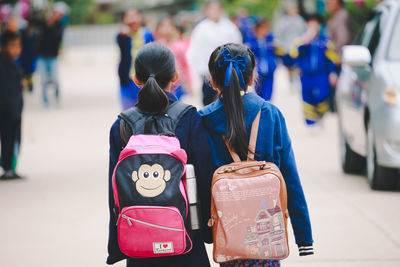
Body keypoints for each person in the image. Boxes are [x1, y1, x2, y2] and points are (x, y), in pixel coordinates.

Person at [199, 43, 314, 267]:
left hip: (225, 230)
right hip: (266, 233)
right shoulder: (270, 114)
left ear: (212, 81)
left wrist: (203, 230)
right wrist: (304, 237)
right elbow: (289, 176)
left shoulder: (202, 120)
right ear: (252, 78)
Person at [107, 43, 213, 267]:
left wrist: (116, 244)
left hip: (138, 240)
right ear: (175, 77)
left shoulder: (122, 125)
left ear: (136, 79)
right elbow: (204, 178)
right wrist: (205, 230)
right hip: (186, 237)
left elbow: (114, 189)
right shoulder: (189, 118)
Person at [187, 0, 242, 106]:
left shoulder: (230, 27)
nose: (215, 12)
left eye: (217, 9)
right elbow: (195, 52)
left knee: (230, 103)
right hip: (208, 74)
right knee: (209, 103)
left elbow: (238, 46)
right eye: (212, 9)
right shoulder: (201, 29)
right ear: (206, 11)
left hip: (229, 72)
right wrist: (202, 70)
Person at [290, 14, 339, 127]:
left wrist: (333, 72)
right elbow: (294, 55)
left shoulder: (325, 41)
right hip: (305, 74)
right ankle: (310, 122)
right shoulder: (300, 40)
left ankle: (320, 115)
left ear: (319, 25)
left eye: (315, 24)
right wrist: (305, 42)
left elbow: (331, 58)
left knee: (323, 95)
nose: (312, 26)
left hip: (321, 74)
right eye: (310, 24)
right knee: (307, 97)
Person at [117, 9, 154, 110]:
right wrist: (124, 35)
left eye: (135, 16)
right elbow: (123, 50)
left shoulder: (147, 34)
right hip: (128, 80)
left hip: (146, 81)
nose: (133, 19)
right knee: (128, 115)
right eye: (129, 16)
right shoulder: (123, 35)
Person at [244, 18, 288, 101]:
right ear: (257, 28)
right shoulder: (250, 39)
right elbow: (246, 50)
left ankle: (266, 111)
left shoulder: (271, 38)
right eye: (263, 28)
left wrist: (277, 46)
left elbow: (281, 52)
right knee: (257, 94)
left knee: (268, 95)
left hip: (269, 71)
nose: (266, 30)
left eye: (267, 28)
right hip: (257, 72)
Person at [0, 31, 24, 179]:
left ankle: (10, 167)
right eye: (12, 46)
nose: (17, 49)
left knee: (13, 141)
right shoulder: (4, 67)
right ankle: (8, 168)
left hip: (13, 111)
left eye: (18, 46)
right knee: (8, 140)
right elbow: (7, 92)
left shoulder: (12, 65)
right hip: (7, 112)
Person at [36, 2, 68, 107]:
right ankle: (45, 102)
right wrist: (48, 22)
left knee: (55, 80)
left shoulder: (60, 26)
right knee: (43, 81)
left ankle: (57, 97)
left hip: (53, 57)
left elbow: (56, 37)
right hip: (42, 56)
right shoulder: (44, 23)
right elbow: (39, 33)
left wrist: (52, 23)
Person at [155, 17, 193, 99]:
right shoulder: (156, 47)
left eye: (170, 26)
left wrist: (189, 84)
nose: (167, 29)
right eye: (163, 26)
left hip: (178, 85)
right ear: (158, 30)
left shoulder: (179, 46)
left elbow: (185, 65)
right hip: (162, 86)